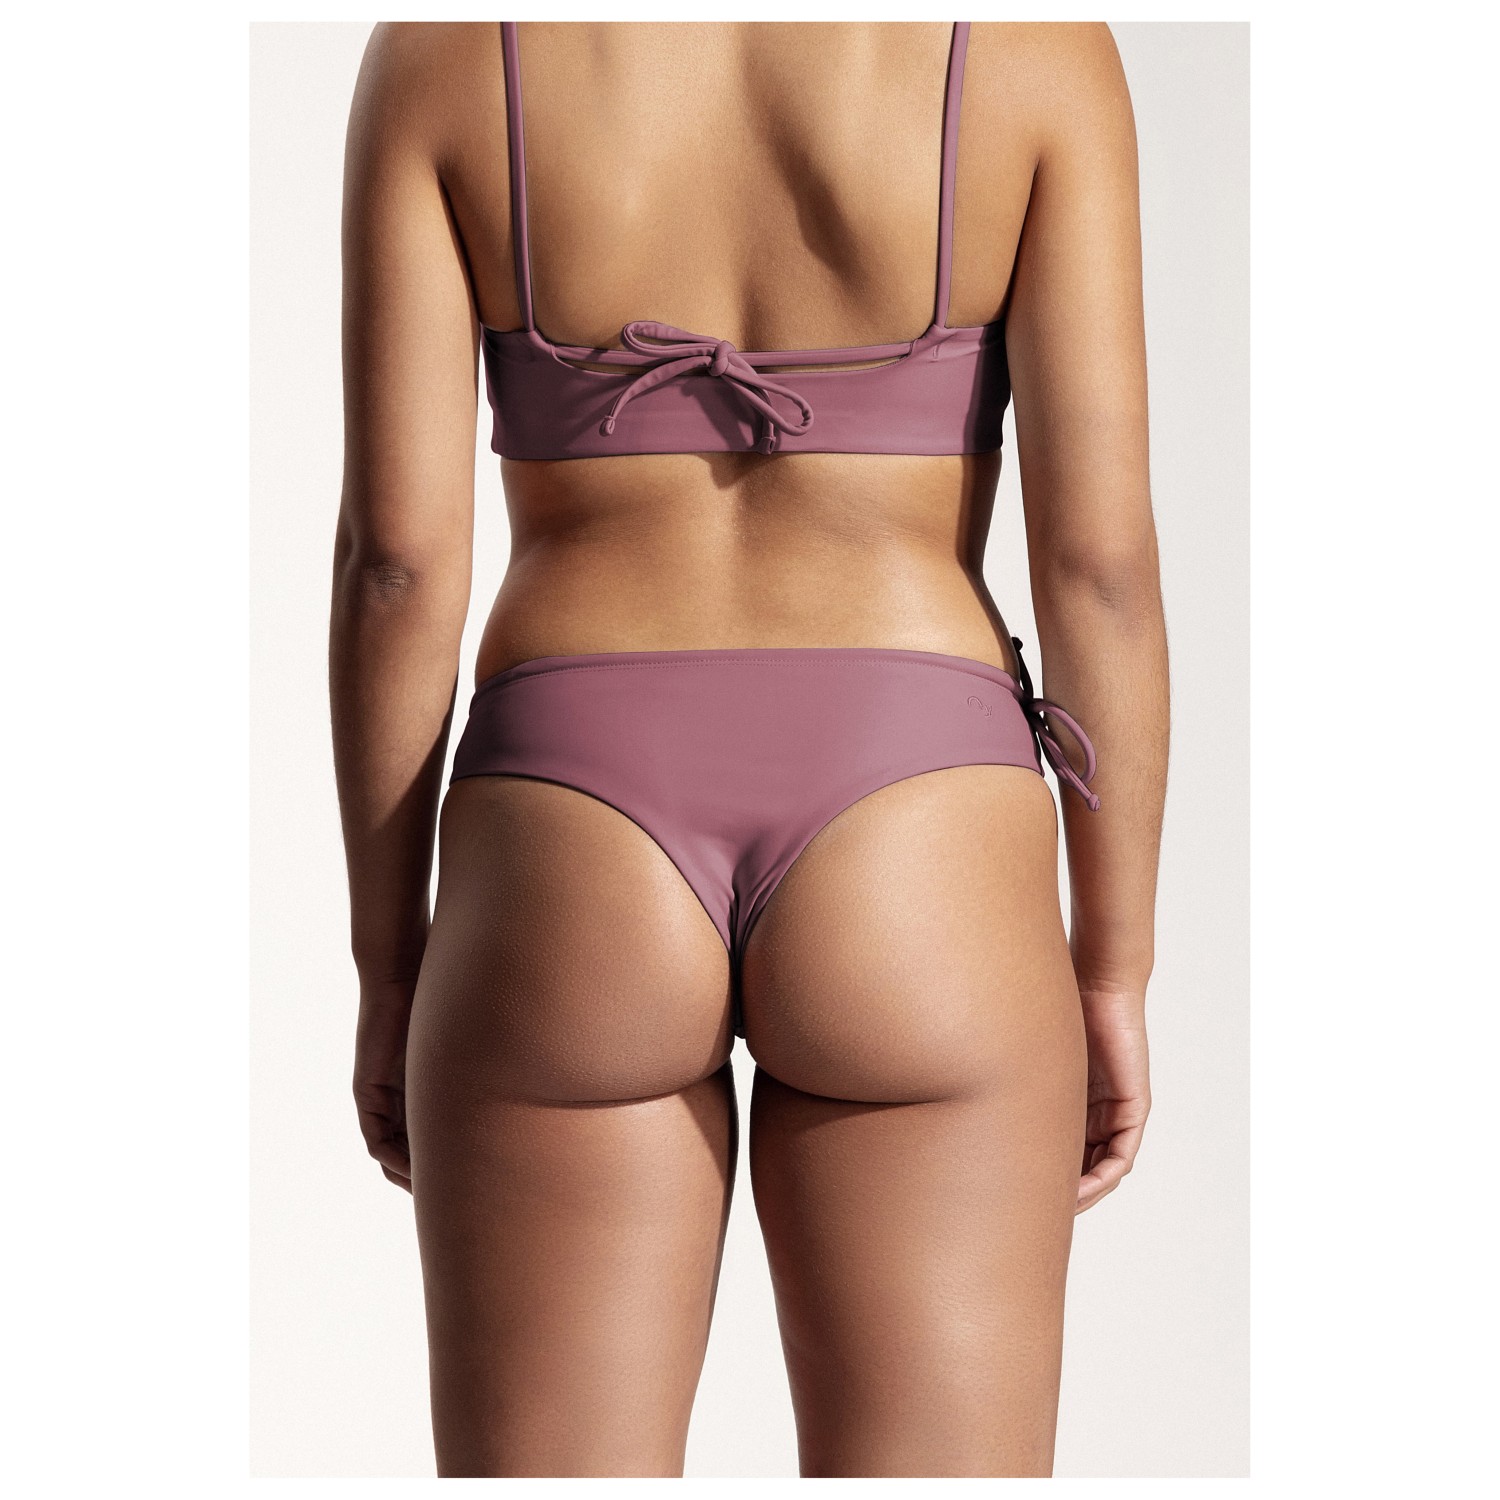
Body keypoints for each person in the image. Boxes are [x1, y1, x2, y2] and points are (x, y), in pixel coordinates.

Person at [330, 19, 1167, 1479]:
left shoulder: (447, 50)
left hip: (571, 825)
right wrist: (1114, 968)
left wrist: (389, 963)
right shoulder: (1035, 49)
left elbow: (398, 565)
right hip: (919, 821)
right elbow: (1099, 571)